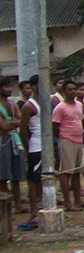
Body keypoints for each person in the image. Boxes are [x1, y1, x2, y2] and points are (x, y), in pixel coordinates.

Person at [52, 79, 84, 212]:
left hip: (79, 141)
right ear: (64, 91)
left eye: (74, 89)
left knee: (77, 172)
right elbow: (55, 126)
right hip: (66, 140)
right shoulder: (60, 108)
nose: (72, 92)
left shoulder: (79, 105)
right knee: (66, 172)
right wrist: (63, 137)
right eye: (69, 90)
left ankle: (78, 200)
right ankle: (68, 202)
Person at [18, 75, 43, 222]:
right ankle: (34, 211)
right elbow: (23, 129)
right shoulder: (29, 106)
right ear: (33, 86)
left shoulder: (46, 102)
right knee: (33, 180)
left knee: (44, 178)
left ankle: (42, 206)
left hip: (45, 146)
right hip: (35, 146)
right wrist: (26, 149)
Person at [0, 77, 26, 214]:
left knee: (16, 175)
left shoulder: (12, 104)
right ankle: (5, 207)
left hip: (13, 141)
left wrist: (10, 123)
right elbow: (3, 126)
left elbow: (22, 120)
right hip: (2, 142)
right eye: (6, 87)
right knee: (3, 176)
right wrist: (14, 122)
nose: (9, 89)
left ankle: (18, 205)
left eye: (10, 86)